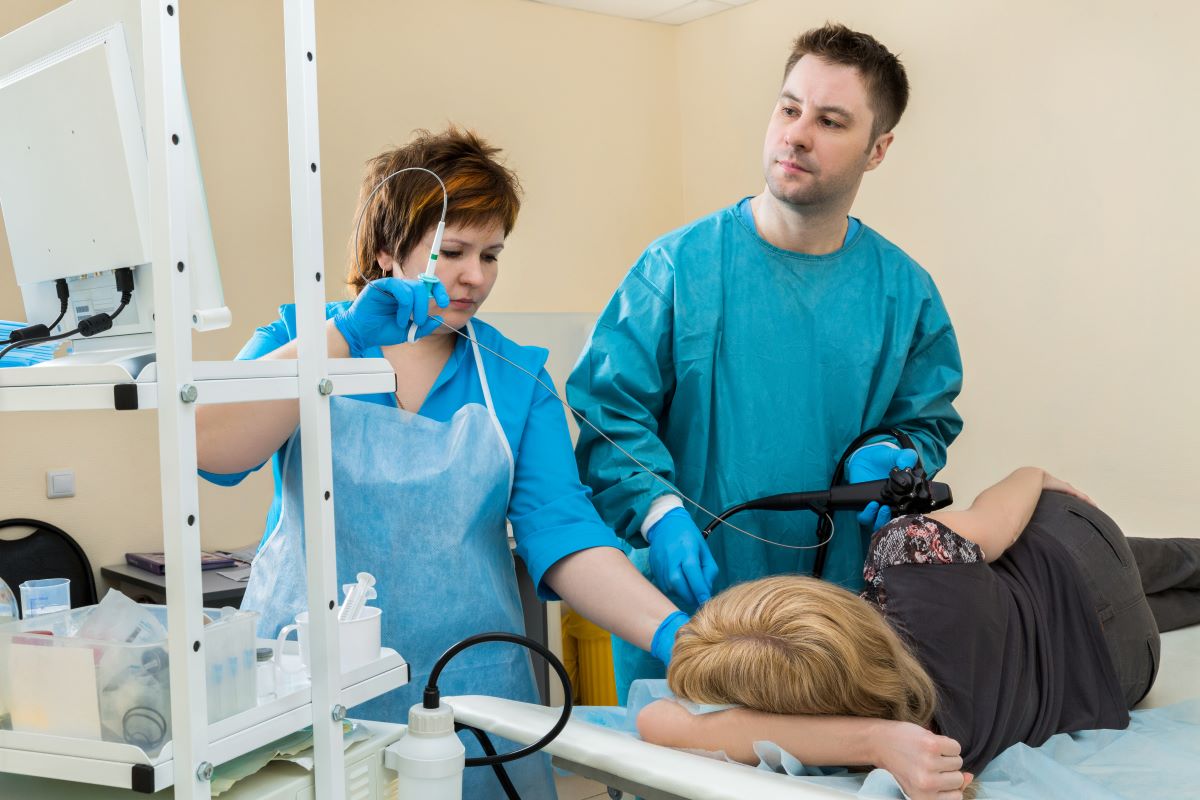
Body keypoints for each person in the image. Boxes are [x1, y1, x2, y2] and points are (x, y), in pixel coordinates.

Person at [195, 127, 687, 799]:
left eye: (491, 254)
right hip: (309, 698)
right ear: (385, 251)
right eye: (453, 252)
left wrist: (673, 634)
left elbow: (565, 535)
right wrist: (339, 341)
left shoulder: (515, 378)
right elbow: (211, 445)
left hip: (470, 705)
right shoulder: (297, 341)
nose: (476, 276)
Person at [567, 22, 964, 701]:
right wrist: (659, 512)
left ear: (878, 149)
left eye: (831, 120)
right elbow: (607, 416)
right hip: (691, 619)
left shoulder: (905, 294)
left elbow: (926, 419)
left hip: (838, 629)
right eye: (789, 108)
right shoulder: (676, 270)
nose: (798, 134)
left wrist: (897, 451)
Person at [637, 468, 1200, 800]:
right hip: (1083, 555)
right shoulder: (906, 556)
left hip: (1125, 667)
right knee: (1170, 562)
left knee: (1142, 613)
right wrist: (1037, 475)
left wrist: (871, 741)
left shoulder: (897, 743)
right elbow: (1010, 502)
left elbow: (658, 721)